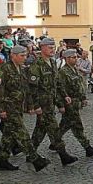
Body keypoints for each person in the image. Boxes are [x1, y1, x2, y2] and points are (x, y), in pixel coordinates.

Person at [0, 45, 50, 171]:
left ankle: (3, 160)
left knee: (8, 135)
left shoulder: (21, 69)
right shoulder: (4, 70)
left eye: (25, 55)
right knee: (22, 133)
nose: (24, 58)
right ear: (13, 56)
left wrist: (30, 105)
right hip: (9, 107)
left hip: (18, 107)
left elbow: (26, 89)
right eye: (22, 56)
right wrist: (1, 109)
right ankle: (35, 159)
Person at [28, 37, 78, 166]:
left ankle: (30, 152)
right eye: (50, 48)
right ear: (42, 48)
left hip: (50, 103)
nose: (52, 50)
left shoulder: (52, 62)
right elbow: (32, 88)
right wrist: (35, 105)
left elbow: (57, 83)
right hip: (42, 104)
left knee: (40, 129)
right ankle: (64, 155)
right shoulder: (36, 65)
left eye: (53, 47)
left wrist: (63, 97)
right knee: (54, 129)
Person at [57, 49, 93, 157]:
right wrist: (60, 105)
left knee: (65, 125)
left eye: (76, 57)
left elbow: (80, 86)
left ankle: (55, 141)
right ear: (67, 59)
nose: (76, 59)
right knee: (77, 125)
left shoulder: (75, 70)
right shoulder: (63, 72)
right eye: (73, 57)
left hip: (76, 102)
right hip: (69, 103)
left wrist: (83, 98)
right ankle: (87, 147)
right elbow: (59, 89)